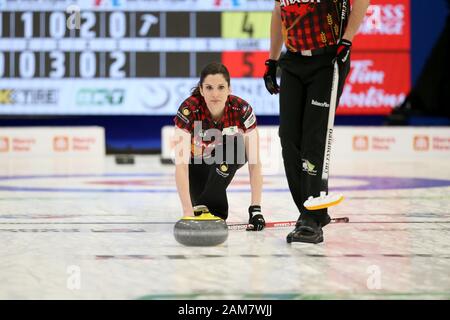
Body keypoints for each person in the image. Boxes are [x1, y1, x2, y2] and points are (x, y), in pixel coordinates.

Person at [263, 0, 370, 243]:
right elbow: (279, 10)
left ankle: (312, 218)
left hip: (328, 59)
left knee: (315, 138)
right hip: (293, 60)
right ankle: (310, 211)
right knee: (288, 138)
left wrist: (347, 39)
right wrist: (272, 59)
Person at [173, 62, 265, 231]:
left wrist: (256, 209)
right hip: (198, 164)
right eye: (209, 88)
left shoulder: (241, 110)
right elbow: (181, 164)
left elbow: (254, 162)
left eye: (221, 87)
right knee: (199, 204)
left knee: (235, 145)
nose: (215, 94)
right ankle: (205, 204)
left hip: (228, 157)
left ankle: (214, 208)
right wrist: (187, 213)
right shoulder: (189, 110)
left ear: (229, 89)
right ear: (201, 90)